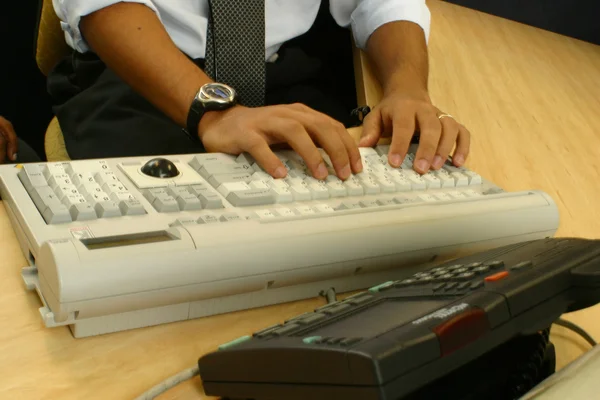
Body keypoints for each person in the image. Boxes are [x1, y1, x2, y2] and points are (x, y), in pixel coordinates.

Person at [49, 0, 470, 180]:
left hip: (285, 69)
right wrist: (217, 113)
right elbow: (101, 5)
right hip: (146, 74)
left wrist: (407, 87)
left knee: (370, 209)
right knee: (185, 244)